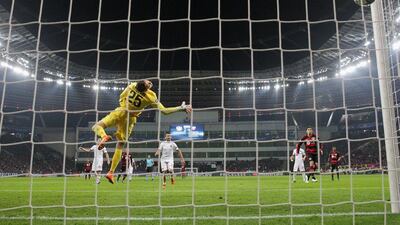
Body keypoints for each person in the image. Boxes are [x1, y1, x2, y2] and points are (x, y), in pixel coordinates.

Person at [90, 79, 192, 184]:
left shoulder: (132, 86)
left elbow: (121, 96)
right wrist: (180, 108)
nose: (149, 81)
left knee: (96, 126)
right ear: (146, 88)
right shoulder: (150, 96)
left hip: (120, 111)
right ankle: (110, 172)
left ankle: (103, 136)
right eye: (147, 82)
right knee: (120, 145)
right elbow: (165, 111)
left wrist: (125, 103)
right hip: (130, 119)